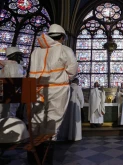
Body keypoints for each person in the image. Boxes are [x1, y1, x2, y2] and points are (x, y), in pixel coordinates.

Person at [28, 24, 78, 164]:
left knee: (36, 120)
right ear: (62, 37)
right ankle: (45, 159)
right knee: (52, 122)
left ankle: (33, 157)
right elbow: (72, 71)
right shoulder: (65, 49)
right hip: (58, 89)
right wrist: (63, 79)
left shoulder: (36, 52)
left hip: (37, 89)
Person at [0, 47, 24, 119]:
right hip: (12, 93)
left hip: (3, 92)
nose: (20, 57)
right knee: (10, 113)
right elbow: (15, 80)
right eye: (19, 55)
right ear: (13, 55)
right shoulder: (15, 66)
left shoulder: (5, 65)